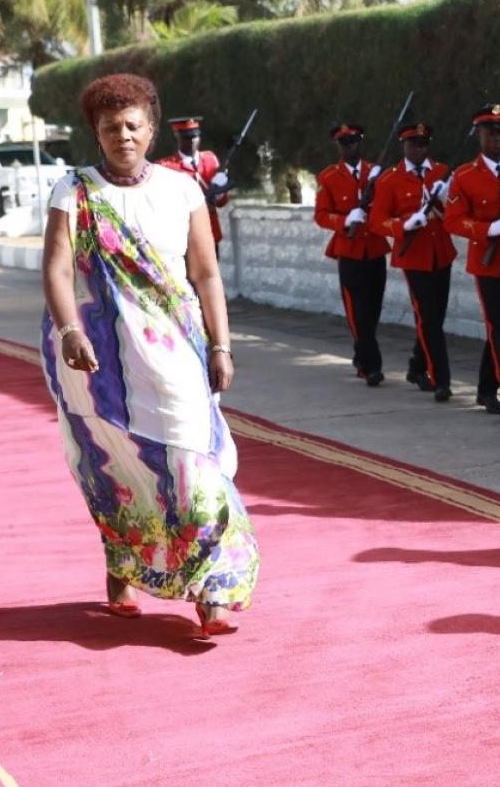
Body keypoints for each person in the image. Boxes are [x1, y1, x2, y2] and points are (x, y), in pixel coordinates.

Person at [39, 73, 259, 638]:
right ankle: (124, 565)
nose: (123, 136)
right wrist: (69, 330)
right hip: (100, 358)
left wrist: (221, 344)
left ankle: (212, 591)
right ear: (96, 132)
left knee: (194, 462)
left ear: (151, 127)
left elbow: (206, 274)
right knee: (118, 464)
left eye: (133, 125)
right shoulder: (76, 190)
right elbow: (58, 267)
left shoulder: (184, 190)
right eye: (111, 127)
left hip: (175, 349)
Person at [445, 103, 500, 424]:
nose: (497, 137)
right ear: (478, 134)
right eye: (490, 131)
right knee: (498, 329)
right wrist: (488, 229)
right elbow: (453, 221)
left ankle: (485, 388)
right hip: (487, 263)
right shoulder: (465, 175)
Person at [370, 122, 457, 401]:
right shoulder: (389, 180)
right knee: (428, 318)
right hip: (414, 255)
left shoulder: (443, 172)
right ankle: (440, 378)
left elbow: (457, 209)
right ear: (403, 146)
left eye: (423, 144)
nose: (418, 149)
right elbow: (376, 222)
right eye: (413, 144)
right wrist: (404, 223)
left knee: (436, 317)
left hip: (441, 251)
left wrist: (447, 200)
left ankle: (417, 366)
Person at [313, 124, 390, 386]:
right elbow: (321, 215)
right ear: (339, 146)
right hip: (349, 252)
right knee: (357, 313)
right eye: (345, 144)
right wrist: (346, 219)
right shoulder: (329, 176)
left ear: (361, 143)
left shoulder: (376, 173)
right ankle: (372, 367)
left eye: (354, 142)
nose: (350, 147)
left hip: (375, 249)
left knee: (373, 310)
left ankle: (361, 355)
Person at [158, 116, 231, 245]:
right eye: (186, 137)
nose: (192, 141)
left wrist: (220, 191)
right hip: (184, 235)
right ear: (177, 137)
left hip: (210, 232)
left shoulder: (210, 159)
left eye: (195, 136)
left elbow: (221, 203)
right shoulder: (165, 166)